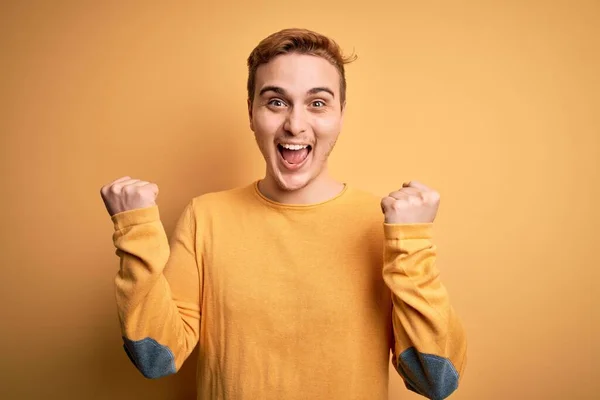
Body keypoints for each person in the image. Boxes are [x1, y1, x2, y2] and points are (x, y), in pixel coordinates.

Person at [100, 28, 467, 400]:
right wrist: (135, 232)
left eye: (318, 103)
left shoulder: (386, 227)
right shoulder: (205, 217)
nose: (295, 123)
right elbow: (155, 357)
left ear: (341, 114)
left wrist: (413, 243)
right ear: (251, 113)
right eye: (276, 102)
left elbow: (436, 380)